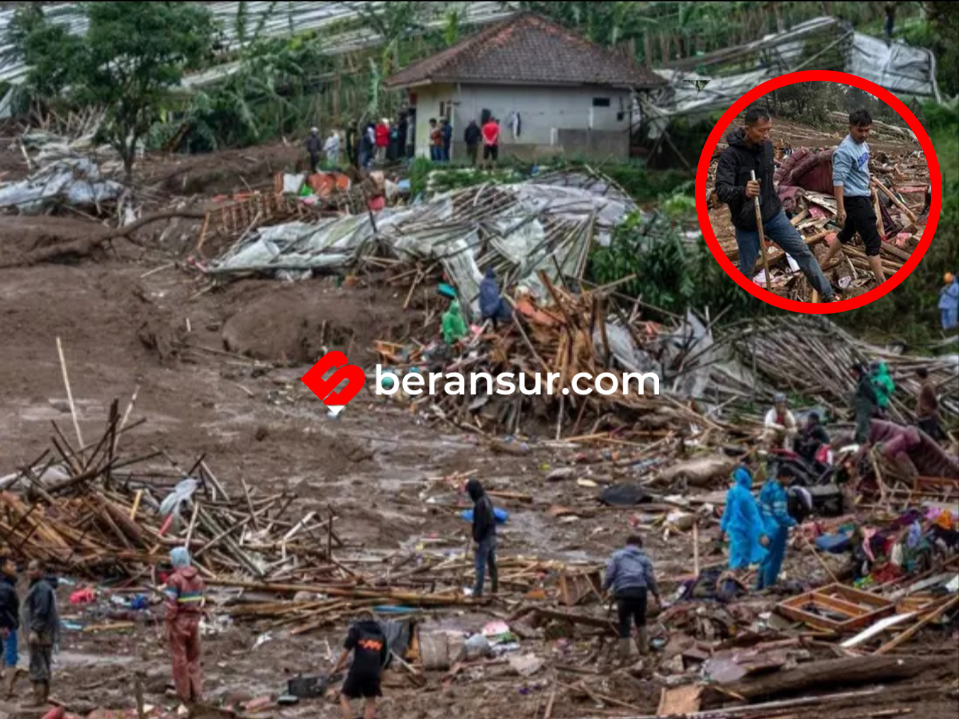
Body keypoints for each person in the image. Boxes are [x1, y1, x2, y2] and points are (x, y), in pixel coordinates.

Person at [715, 107, 837, 301]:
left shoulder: (768, 147)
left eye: (769, 130)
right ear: (747, 129)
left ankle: (828, 294)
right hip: (747, 222)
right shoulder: (731, 156)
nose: (767, 135)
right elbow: (721, 190)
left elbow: (772, 180)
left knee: (802, 251)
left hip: (773, 214)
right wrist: (743, 191)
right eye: (762, 131)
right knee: (747, 268)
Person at [821, 109, 885, 287]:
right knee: (873, 241)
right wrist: (840, 209)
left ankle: (823, 262)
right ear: (850, 127)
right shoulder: (845, 151)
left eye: (867, 130)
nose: (864, 134)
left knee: (846, 233)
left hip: (862, 195)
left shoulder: (863, 145)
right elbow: (838, 181)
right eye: (860, 130)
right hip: (854, 201)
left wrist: (869, 185)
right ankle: (882, 283)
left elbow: (862, 168)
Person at [603, 535, 661, 662]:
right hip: (640, 592)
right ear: (639, 545)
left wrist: (604, 588)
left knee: (624, 623)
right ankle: (644, 649)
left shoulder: (617, 557)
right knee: (641, 620)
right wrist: (656, 595)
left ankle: (625, 655)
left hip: (623, 593)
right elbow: (650, 579)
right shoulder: (644, 559)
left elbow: (609, 575)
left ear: (627, 544)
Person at [164, 547, 204, 705]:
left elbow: (171, 606)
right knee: (193, 658)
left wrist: (167, 625)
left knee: (179, 659)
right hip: (195, 621)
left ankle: (184, 695)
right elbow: (200, 601)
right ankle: (197, 693)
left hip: (180, 622)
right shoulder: (198, 579)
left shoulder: (174, 580)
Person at [331, 612, 388, 719]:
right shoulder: (381, 634)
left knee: (344, 697)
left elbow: (346, 650)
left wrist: (336, 666)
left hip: (358, 670)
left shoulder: (357, 630)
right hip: (374, 672)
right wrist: (380, 673)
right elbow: (384, 658)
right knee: (370, 701)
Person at [19, 560, 58, 707]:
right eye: (28, 569)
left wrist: (34, 630)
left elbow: (40, 612)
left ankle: (38, 698)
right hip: (43, 632)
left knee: (37, 664)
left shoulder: (41, 588)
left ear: (42, 570)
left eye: (34, 569)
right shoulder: (40, 587)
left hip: (40, 634)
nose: (30, 572)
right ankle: (43, 697)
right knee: (43, 663)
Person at [719, 466, 769, 576]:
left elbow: (727, 512)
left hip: (735, 529)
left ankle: (735, 573)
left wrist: (722, 529)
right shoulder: (746, 496)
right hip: (747, 530)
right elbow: (754, 516)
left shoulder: (732, 492)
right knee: (751, 553)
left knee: (736, 554)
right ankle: (743, 575)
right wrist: (762, 534)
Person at [756, 466, 798, 590]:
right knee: (774, 560)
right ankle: (768, 587)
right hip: (776, 529)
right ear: (782, 477)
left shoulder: (767, 487)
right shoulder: (779, 493)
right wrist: (794, 523)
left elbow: (759, 506)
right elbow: (780, 515)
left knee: (765, 557)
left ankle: (759, 586)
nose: (790, 481)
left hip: (765, 527)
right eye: (789, 478)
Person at [466, 479, 498, 597]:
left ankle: (478, 592)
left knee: (480, 566)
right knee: (492, 564)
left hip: (484, 539)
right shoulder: (486, 500)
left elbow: (481, 524)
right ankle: (495, 587)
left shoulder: (479, 504)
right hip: (492, 536)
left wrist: (476, 539)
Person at [0, 558, 19, 699]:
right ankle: (7, 690)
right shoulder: (5, 587)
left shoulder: (6, 585)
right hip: (7, 626)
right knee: (10, 656)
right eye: (11, 564)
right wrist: (3, 625)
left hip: (5, 624)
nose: (15, 567)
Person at [852, 362, 879, 444]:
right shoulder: (861, 380)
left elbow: (872, 394)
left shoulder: (864, 382)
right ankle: (860, 441)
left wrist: (875, 404)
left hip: (865, 407)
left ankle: (865, 443)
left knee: (864, 424)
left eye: (852, 371)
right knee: (861, 424)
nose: (851, 373)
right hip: (861, 407)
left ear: (856, 371)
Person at [916, 367, 941, 440]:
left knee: (929, 437)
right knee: (925, 436)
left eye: (916, 375)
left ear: (919, 375)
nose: (915, 377)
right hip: (924, 415)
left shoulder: (927, 386)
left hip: (928, 415)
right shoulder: (925, 385)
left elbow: (934, 399)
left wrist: (929, 410)